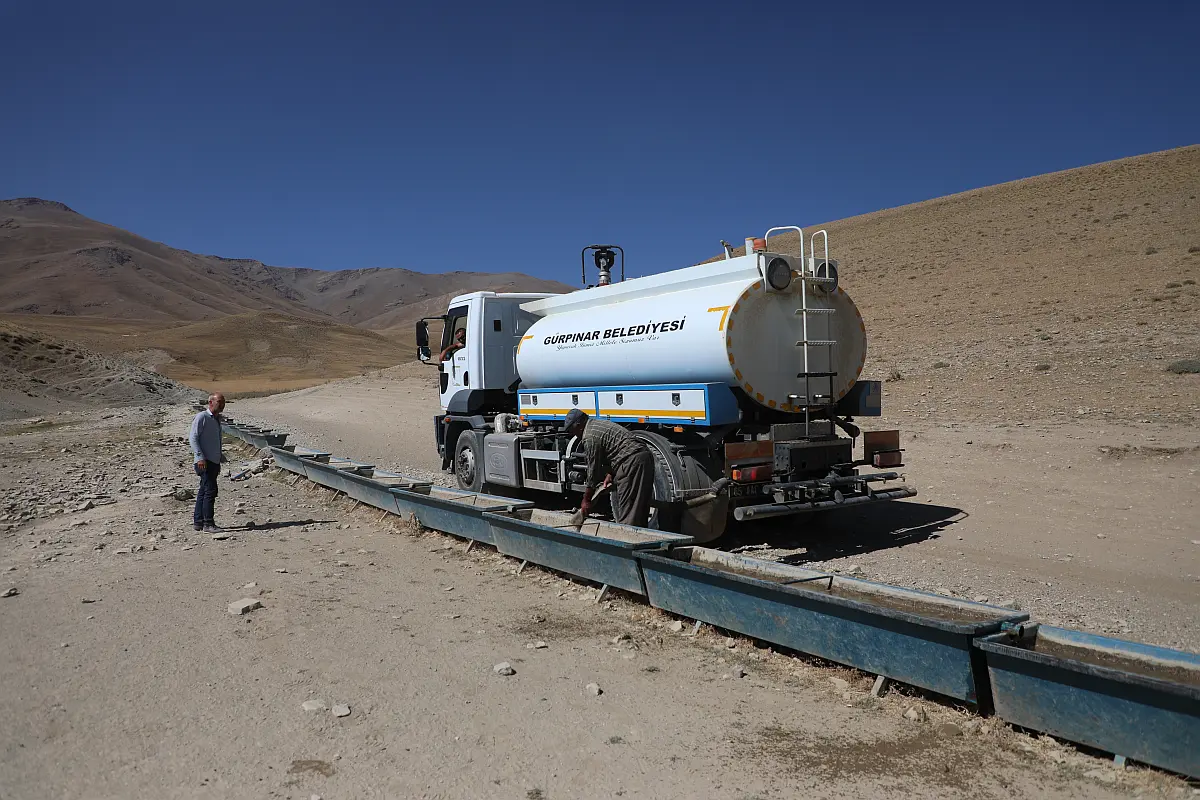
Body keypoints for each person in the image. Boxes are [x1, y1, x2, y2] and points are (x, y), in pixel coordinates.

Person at [564, 408, 656, 527]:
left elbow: (593, 472)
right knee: (639, 509)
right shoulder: (596, 424)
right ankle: (644, 540)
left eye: (572, 430)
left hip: (631, 462)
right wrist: (610, 474)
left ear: (579, 424)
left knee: (628, 511)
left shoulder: (589, 437)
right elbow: (615, 448)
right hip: (643, 457)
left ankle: (627, 541)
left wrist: (586, 500)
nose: (573, 434)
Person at [189, 392, 226, 533]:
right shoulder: (202, 417)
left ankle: (198, 522)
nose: (222, 405)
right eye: (219, 402)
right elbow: (193, 438)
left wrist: (219, 454)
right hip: (204, 461)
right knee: (210, 491)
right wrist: (199, 457)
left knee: (204, 490)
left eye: (223, 402)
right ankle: (208, 524)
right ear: (210, 402)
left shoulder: (216, 419)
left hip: (213, 460)